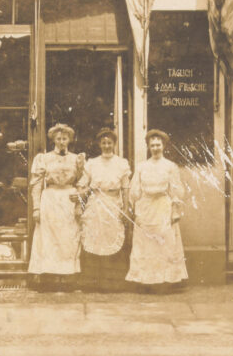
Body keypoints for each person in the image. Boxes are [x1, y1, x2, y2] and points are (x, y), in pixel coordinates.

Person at [126, 129, 188, 291]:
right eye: (152, 145)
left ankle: (166, 280)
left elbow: (176, 189)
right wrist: (135, 209)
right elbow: (135, 190)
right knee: (145, 243)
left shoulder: (170, 166)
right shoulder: (142, 167)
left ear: (164, 146)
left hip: (163, 206)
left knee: (164, 241)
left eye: (158, 145)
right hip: (146, 207)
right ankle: (145, 281)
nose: (155, 148)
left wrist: (175, 210)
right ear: (148, 147)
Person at [28, 123, 84, 291]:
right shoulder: (43, 159)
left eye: (64, 138)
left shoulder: (77, 159)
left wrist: (79, 201)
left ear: (69, 140)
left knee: (69, 239)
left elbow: (82, 183)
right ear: (53, 140)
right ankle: (49, 279)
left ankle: (67, 279)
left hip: (69, 200)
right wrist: (36, 208)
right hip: (50, 200)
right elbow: (36, 184)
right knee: (48, 240)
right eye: (58, 139)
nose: (61, 142)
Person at [76, 128, 132, 292]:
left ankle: (113, 283)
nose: (107, 146)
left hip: (114, 203)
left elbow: (125, 188)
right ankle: (92, 282)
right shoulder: (92, 163)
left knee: (112, 238)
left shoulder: (122, 163)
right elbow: (83, 184)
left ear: (114, 144)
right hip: (96, 204)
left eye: (110, 143)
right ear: (99, 144)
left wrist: (126, 210)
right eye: (103, 143)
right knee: (94, 239)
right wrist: (80, 199)